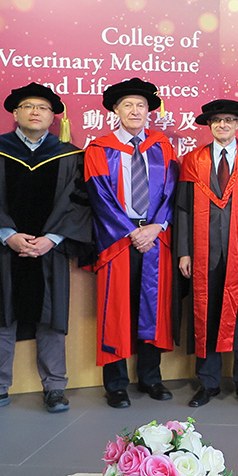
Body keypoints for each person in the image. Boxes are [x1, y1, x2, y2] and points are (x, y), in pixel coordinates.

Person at [0, 82, 91, 418]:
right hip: (2, 251)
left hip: (50, 252)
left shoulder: (71, 157)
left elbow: (79, 203)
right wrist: (7, 235)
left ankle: (55, 387)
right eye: (29, 107)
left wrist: (53, 238)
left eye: (43, 108)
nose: (35, 112)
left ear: (52, 116)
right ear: (16, 113)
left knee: (51, 320)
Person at [84, 78, 179, 409]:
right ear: (115, 110)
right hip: (118, 241)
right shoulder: (99, 149)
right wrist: (130, 231)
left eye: (141, 105)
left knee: (152, 309)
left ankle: (151, 378)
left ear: (149, 111)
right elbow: (100, 197)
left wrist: (156, 226)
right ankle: (116, 384)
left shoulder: (162, 146)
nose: (135, 110)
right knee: (117, 311)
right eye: (128, 105)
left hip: (155, 238)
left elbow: (170, 190)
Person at [175, 98, 238, 408]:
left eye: (229, 120)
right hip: (204, 253)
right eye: (217, 121)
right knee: (206, 315)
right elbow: (183, 210)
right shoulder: (193, 160)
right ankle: (208, 383)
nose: (223, 125)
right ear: (209, 125)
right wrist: (184, 252)